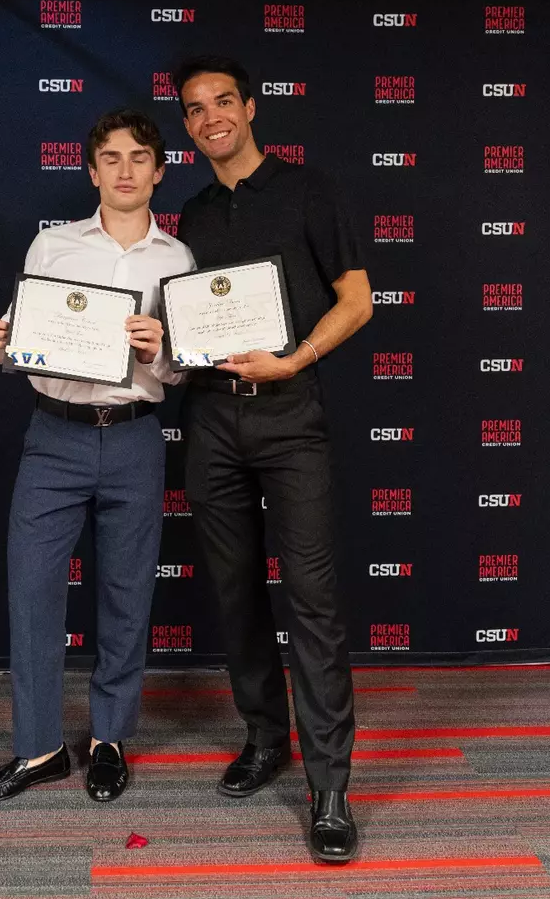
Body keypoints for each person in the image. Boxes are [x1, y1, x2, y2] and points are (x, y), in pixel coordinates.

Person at [172, 55, 373, 863]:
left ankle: (330, 788)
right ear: (187, 126)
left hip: (290, 415)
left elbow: (358, 300)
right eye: (195, 109)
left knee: (313, 601)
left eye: (223, 101)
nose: (211, 117)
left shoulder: (309, 189)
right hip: (210, 418)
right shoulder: (189, 214)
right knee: (235, 594)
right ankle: (265, 738)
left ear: (251, 107)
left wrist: (293, 361)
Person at [0, 108, 194, 805]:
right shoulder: (53, 247)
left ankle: (109, 739)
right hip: (55, 437)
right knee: (33, 589)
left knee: (127, 592)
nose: (125, 170)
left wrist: (164, 352)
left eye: (139, 157)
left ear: (159, 171)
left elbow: (183, 370)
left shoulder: (177, 260)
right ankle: (38, 749)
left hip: (134, 436)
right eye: (111, 158)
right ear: (92, 171)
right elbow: (25, 343)